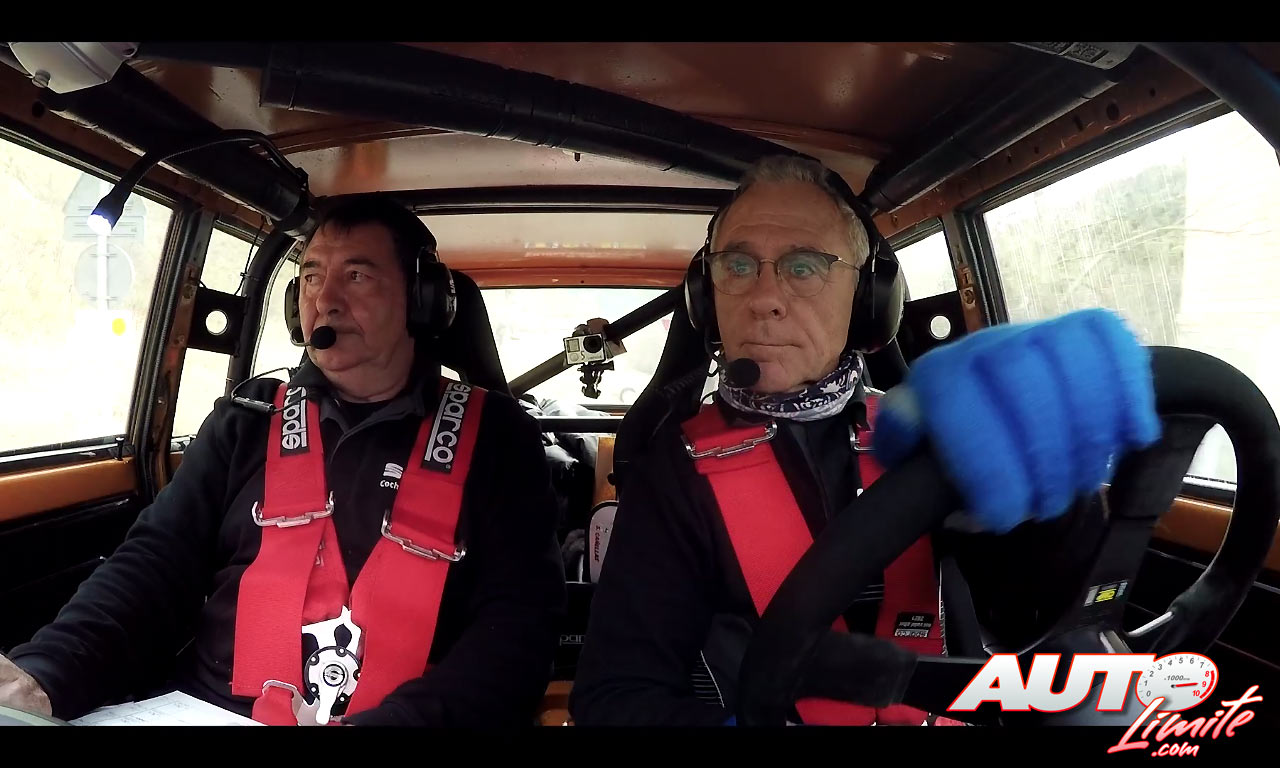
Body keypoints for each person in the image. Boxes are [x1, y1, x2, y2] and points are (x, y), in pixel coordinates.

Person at [570, 155, 1158, 726]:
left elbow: (1042, 619)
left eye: (804, 267)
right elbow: (615, 697)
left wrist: (1053, 493)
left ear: (866, 300)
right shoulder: (674, 470)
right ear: (708, 294)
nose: (763, 297)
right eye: (738, 265)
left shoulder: (936, 435)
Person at [0, 194, 566, 726]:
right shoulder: (246, 420)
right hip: (215, 713)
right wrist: (47, 675)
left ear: (421, 300)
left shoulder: (500, 440)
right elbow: (153, 565)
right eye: (313, 276)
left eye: (357, 275)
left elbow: (517, 633)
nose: (325, 300)